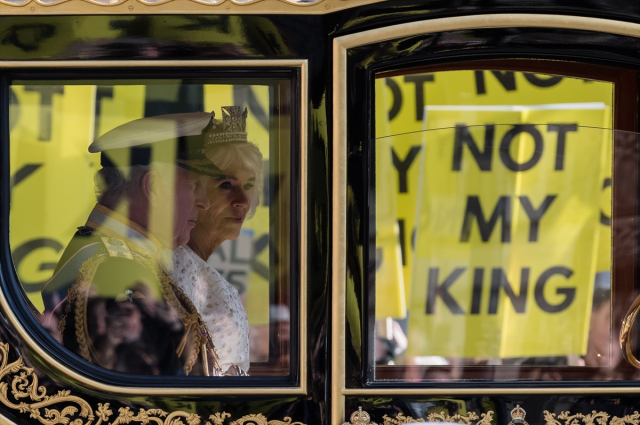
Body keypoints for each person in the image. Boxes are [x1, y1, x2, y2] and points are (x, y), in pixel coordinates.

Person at [40, 111, 228, 376]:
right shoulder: (117, 270)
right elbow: (146, 403)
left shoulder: (116, 256)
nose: (204, 202)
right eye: (195, 186)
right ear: (153, 187)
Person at [167, 106, 263, 376]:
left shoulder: (195, 267)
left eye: (249, 185)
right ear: (194, 192)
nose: (243, 202)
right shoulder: (176, 268)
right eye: (225, 185)